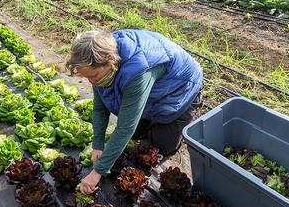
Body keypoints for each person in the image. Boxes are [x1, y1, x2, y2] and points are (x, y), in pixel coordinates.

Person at [66, 29, 203, 195]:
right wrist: (98, 144)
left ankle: (176, 122)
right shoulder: (102, 58)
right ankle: (150, 117)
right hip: (150, 87)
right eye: (88, 78)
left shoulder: (137, 71)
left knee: (160, 147)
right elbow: (99, 107)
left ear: (110, 60)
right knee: (135, 134)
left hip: (179, 88)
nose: (92, 82)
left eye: (93, 76)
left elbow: (125, 128)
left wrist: (97, 172)